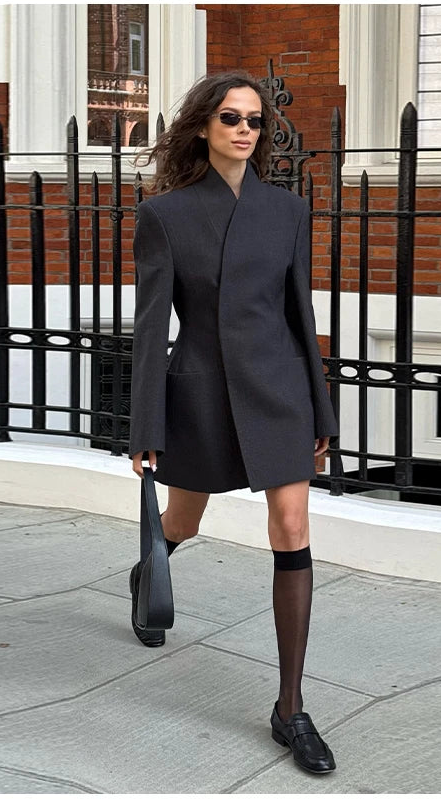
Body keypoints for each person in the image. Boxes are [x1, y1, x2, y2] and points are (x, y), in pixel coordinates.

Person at [128, 71, 338, 775]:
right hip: (203, 392)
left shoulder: (287, 212)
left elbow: (300, 317)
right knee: (182, 523)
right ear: (202, 128)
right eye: (229, 118)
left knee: (292, 528)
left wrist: (321, 408)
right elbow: (153, 326)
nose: (244, 129)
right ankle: (150, 569)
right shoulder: (166, 215)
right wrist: (144, 427)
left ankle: (290, 708)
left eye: (254, 120)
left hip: (279, 391)